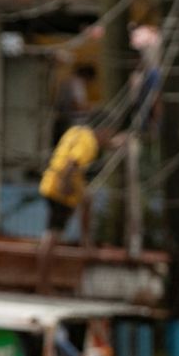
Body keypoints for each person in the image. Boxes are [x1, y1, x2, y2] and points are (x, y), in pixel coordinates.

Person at [35, 123, 116, 294]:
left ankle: (86, 241)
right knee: (53, 235)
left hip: (51, 182)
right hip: (61, 188)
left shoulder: (76, 131)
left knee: (87, 200)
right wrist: (66, 187)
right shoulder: (89, 143)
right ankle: (43, 283)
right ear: (102, 130)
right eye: (108, 134)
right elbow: (72, 163)